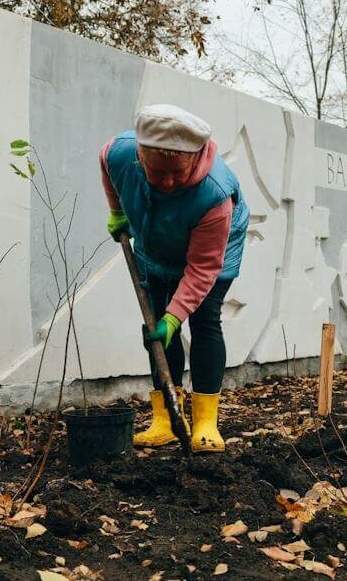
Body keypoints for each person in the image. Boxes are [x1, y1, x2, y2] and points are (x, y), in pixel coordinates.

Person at [99, 104, 249, 453]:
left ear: (194, 159)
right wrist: (117, 212)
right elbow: (106, 162)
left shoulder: (214, 195)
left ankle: (206, 423)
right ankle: (166, 419)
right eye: (157, 172)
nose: (167, 182)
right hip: (154, 245)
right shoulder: (121, 153)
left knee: (203, 320)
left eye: (177, 174)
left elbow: (202, 269)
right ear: (140, 155)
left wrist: (174, 316)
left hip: (212, 252)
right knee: (157, 327)